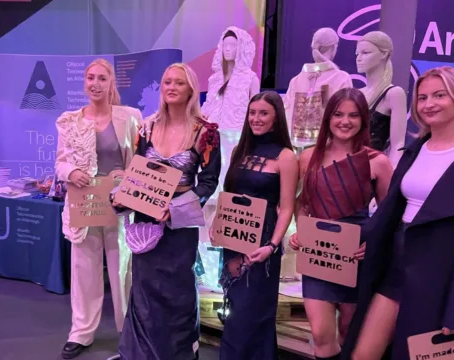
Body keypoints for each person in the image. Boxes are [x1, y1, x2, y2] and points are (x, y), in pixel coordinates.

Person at [342, 66, 454, 360]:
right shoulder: (414, 151)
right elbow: (392, 211)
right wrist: (370, 239)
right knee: (362, 353)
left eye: (439, 95)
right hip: (396, 263)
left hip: (440, 273)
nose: (429, 104)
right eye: (422, 98)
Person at [112, 63, 221, 360]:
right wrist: (122, 197)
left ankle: (177, 353)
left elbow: (208, 182)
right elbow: (137, 173)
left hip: (179, 222)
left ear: (191, 89)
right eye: (167, 82)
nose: (171, 87)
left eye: (179, 83)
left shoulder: (206, 132)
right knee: (145, 289)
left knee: (177, 289)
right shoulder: (146, 128)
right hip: (146, 217)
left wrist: (175, 210)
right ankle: (141, 353)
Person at [288, 88, 393, 360]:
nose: (345, 121)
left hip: (356, 253)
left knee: (349, 331)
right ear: (328, 118)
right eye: (338, 114)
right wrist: (301, 230)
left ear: (363, 120)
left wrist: (372, 244)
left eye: (353, 115)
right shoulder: (308, 157)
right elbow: (301, 202)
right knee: (322, 332)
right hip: (319, 251)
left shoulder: (378, 162)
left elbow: (389, 216)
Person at [54, 59, 142, 359]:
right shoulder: (71, 121)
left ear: (111, 83)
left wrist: (126, 181)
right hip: (85, 202)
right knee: (83, 270)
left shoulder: (129, 117)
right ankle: (80, 332)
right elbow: (60, 162)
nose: (95, 84)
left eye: (101, 78)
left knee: (122, 271)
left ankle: (128, 331)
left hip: (119, 204)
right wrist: (70, 173)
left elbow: (139, 161)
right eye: (90, 78)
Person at [215, 91, 298, 359]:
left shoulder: (286, 156)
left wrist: (272, 246)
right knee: (235, 310)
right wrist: (219, 228)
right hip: (234, 240)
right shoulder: (243, 150)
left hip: (263, 245)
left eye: (263, 113)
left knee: (255, 313)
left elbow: (287, 207)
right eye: (252, 113)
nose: (256, 118)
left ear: (276, 118)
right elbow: (229, 195)